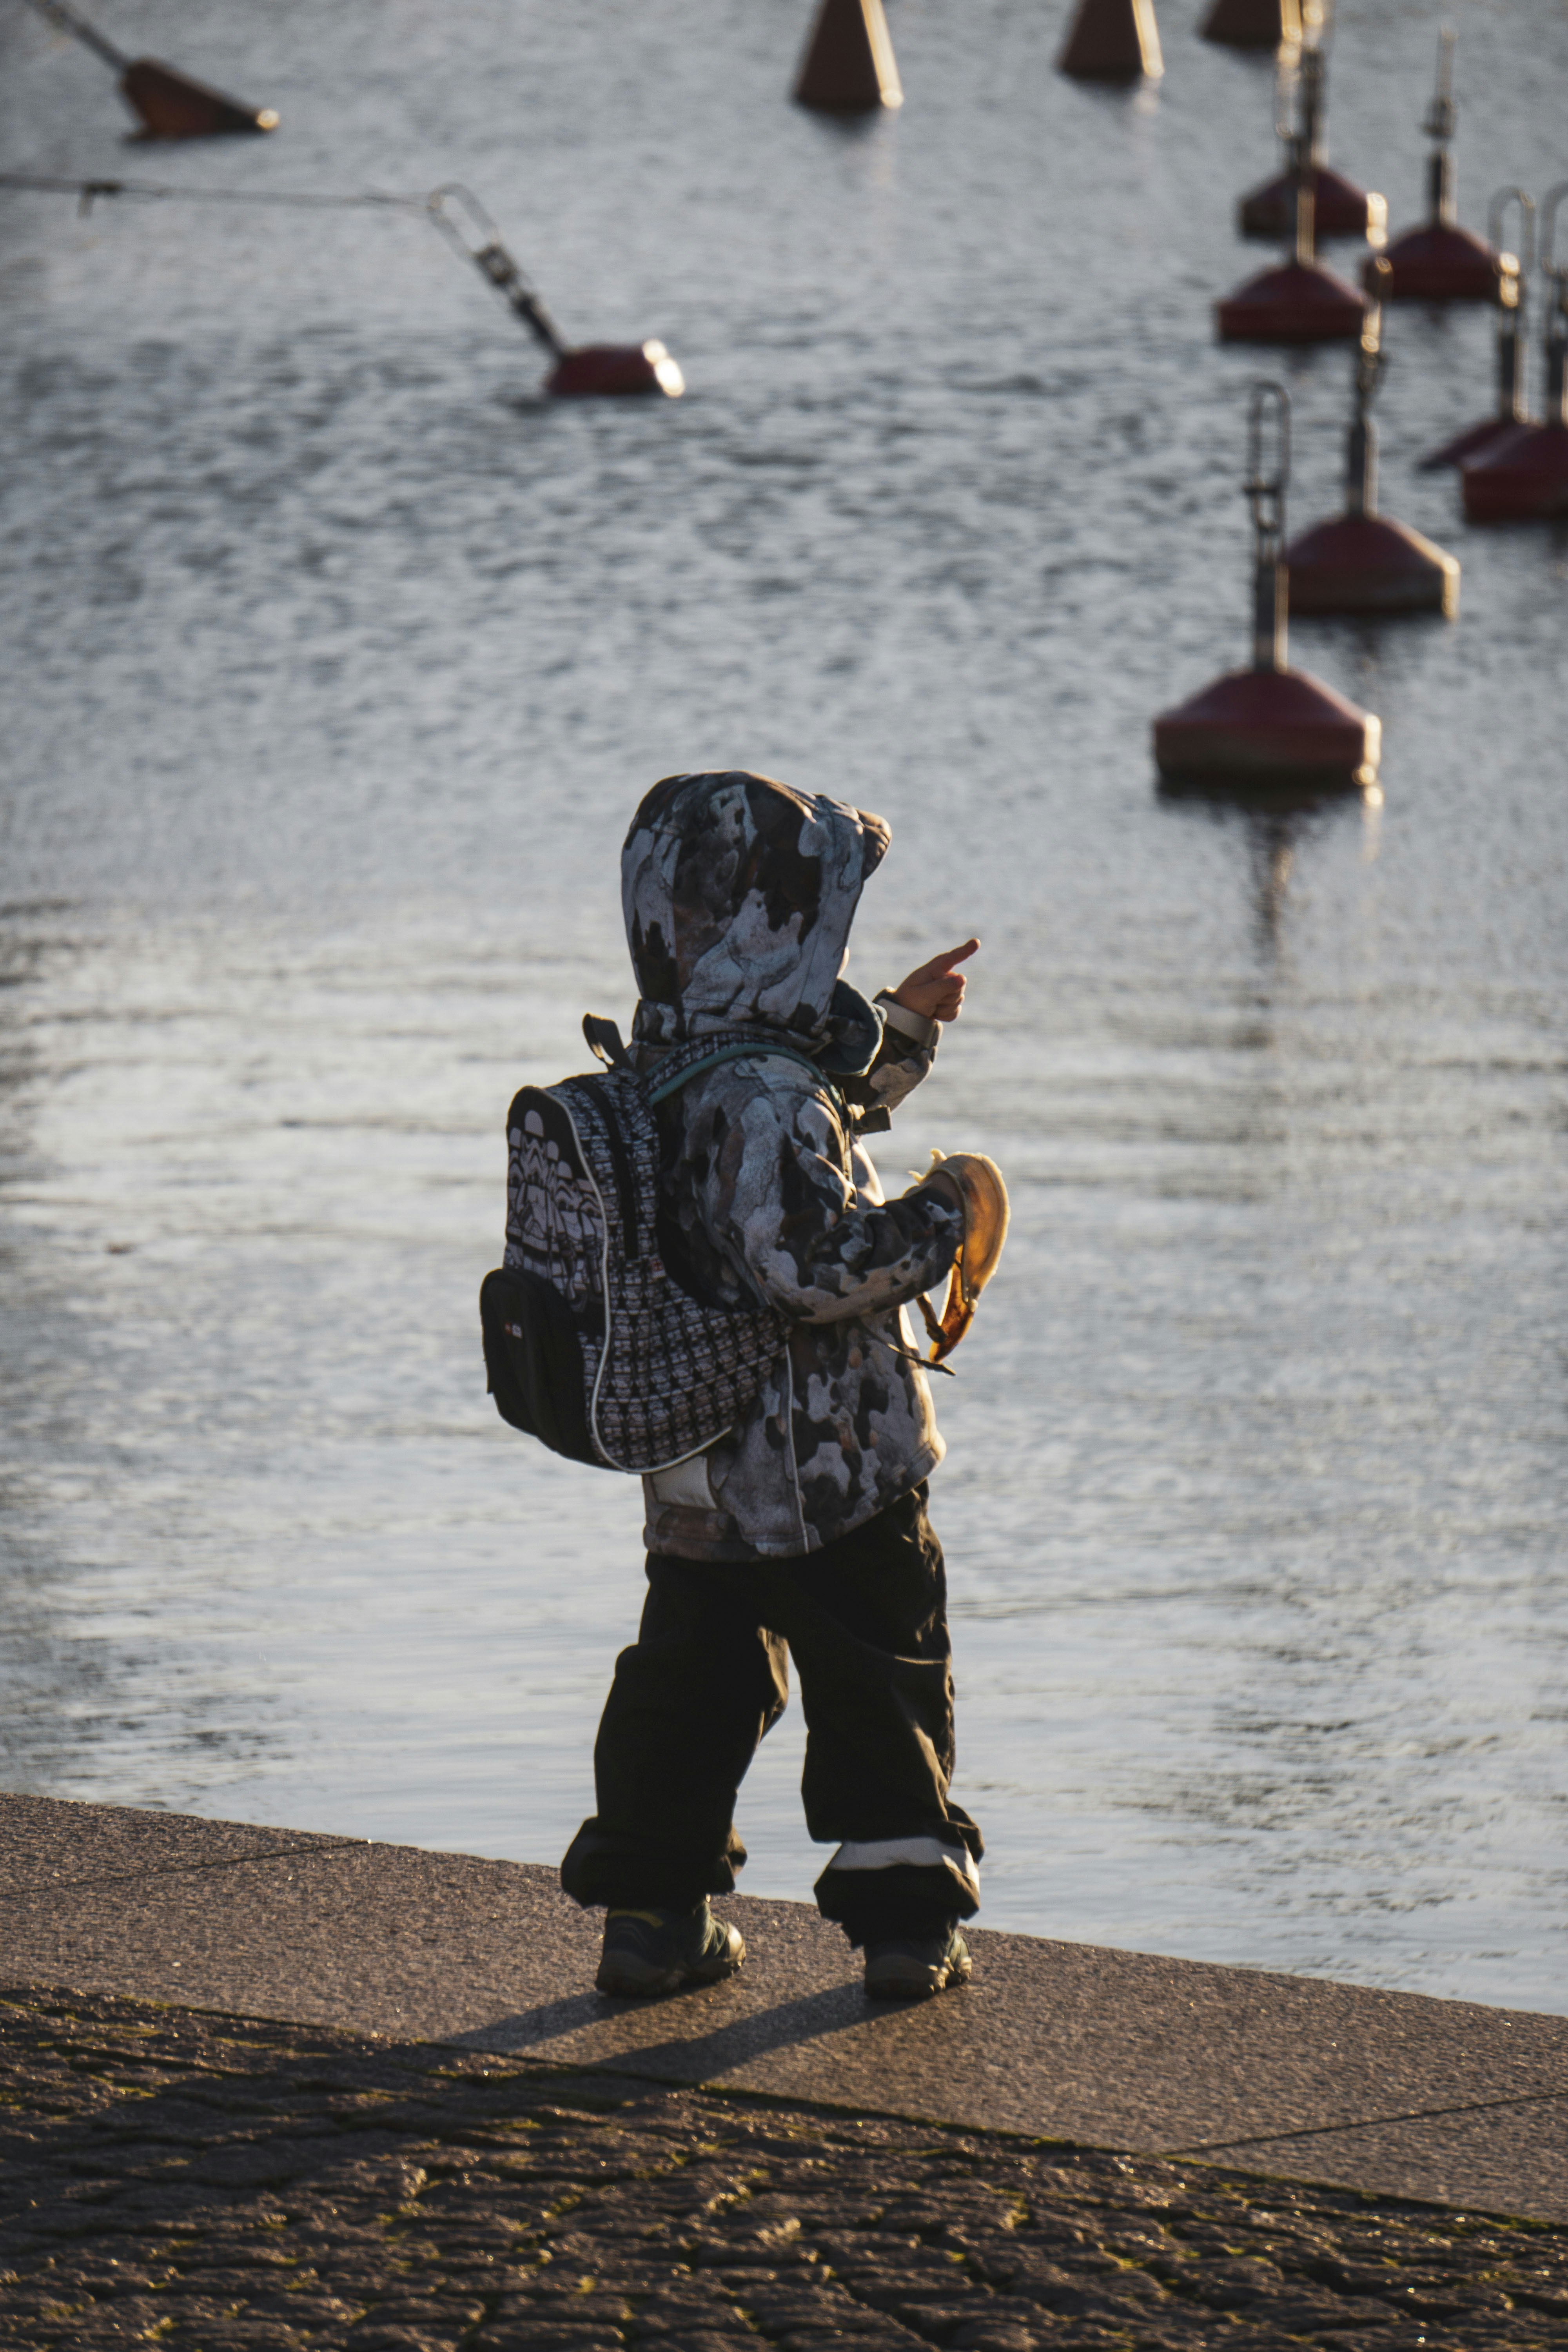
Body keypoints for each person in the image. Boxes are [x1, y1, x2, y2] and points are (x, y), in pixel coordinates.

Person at [560, 769, 984, 2002]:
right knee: (880, 1678)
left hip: (699, 1467)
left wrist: (898, 1036)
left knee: (689, 1688)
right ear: (774, 930)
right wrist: (945, 1212)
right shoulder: (767, 1097)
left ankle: (650, 1917)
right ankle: (908, 1930)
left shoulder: (669, 1062)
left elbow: (801, 1141)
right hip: (830, 1471)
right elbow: (812, 1260)